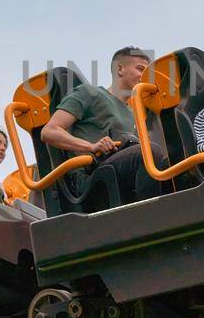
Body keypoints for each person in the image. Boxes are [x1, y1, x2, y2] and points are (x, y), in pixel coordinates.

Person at [41, 46, 165, 208]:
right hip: (90, 177)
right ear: (120, 69)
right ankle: (148, 216)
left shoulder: (133, 113)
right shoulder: (89, 94)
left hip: (118, 170)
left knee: (167, 163)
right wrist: (91, 146)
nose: (144, 76)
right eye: (140, 69)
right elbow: (49, 131)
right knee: (148, 152)